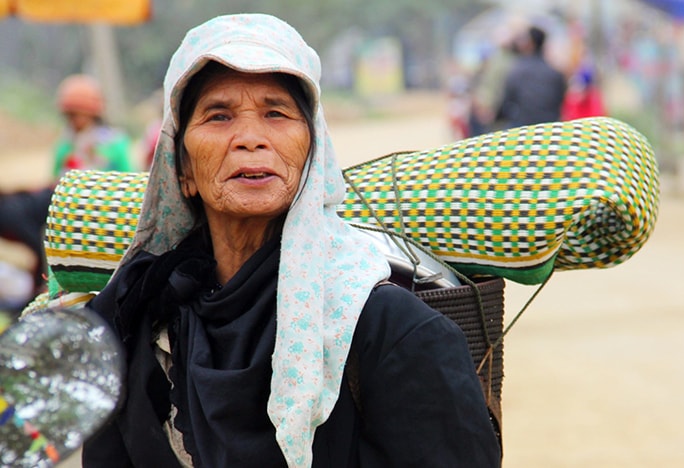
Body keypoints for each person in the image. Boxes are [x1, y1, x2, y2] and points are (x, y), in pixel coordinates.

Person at [80, 13, 501, 468]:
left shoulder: (390, 330)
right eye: (218, 116)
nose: (250, 139)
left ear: (311, 155)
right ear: (182, 171)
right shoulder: (131, 326)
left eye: (276, 113)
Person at [0, 74, 134, 309]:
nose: (73, 120)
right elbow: (55, 183)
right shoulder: (65, 144)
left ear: (92, 112)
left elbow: (129, 181)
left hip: (103, 219)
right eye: (69, 115)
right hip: (69, 221)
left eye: (76, 114)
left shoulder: (114, 144)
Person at [496, 25, 567, 129]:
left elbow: (508, 100)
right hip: (550, 127)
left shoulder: (518, 70)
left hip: (524, 127)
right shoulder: (555, 73)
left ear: (530, 43)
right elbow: (561, 100)